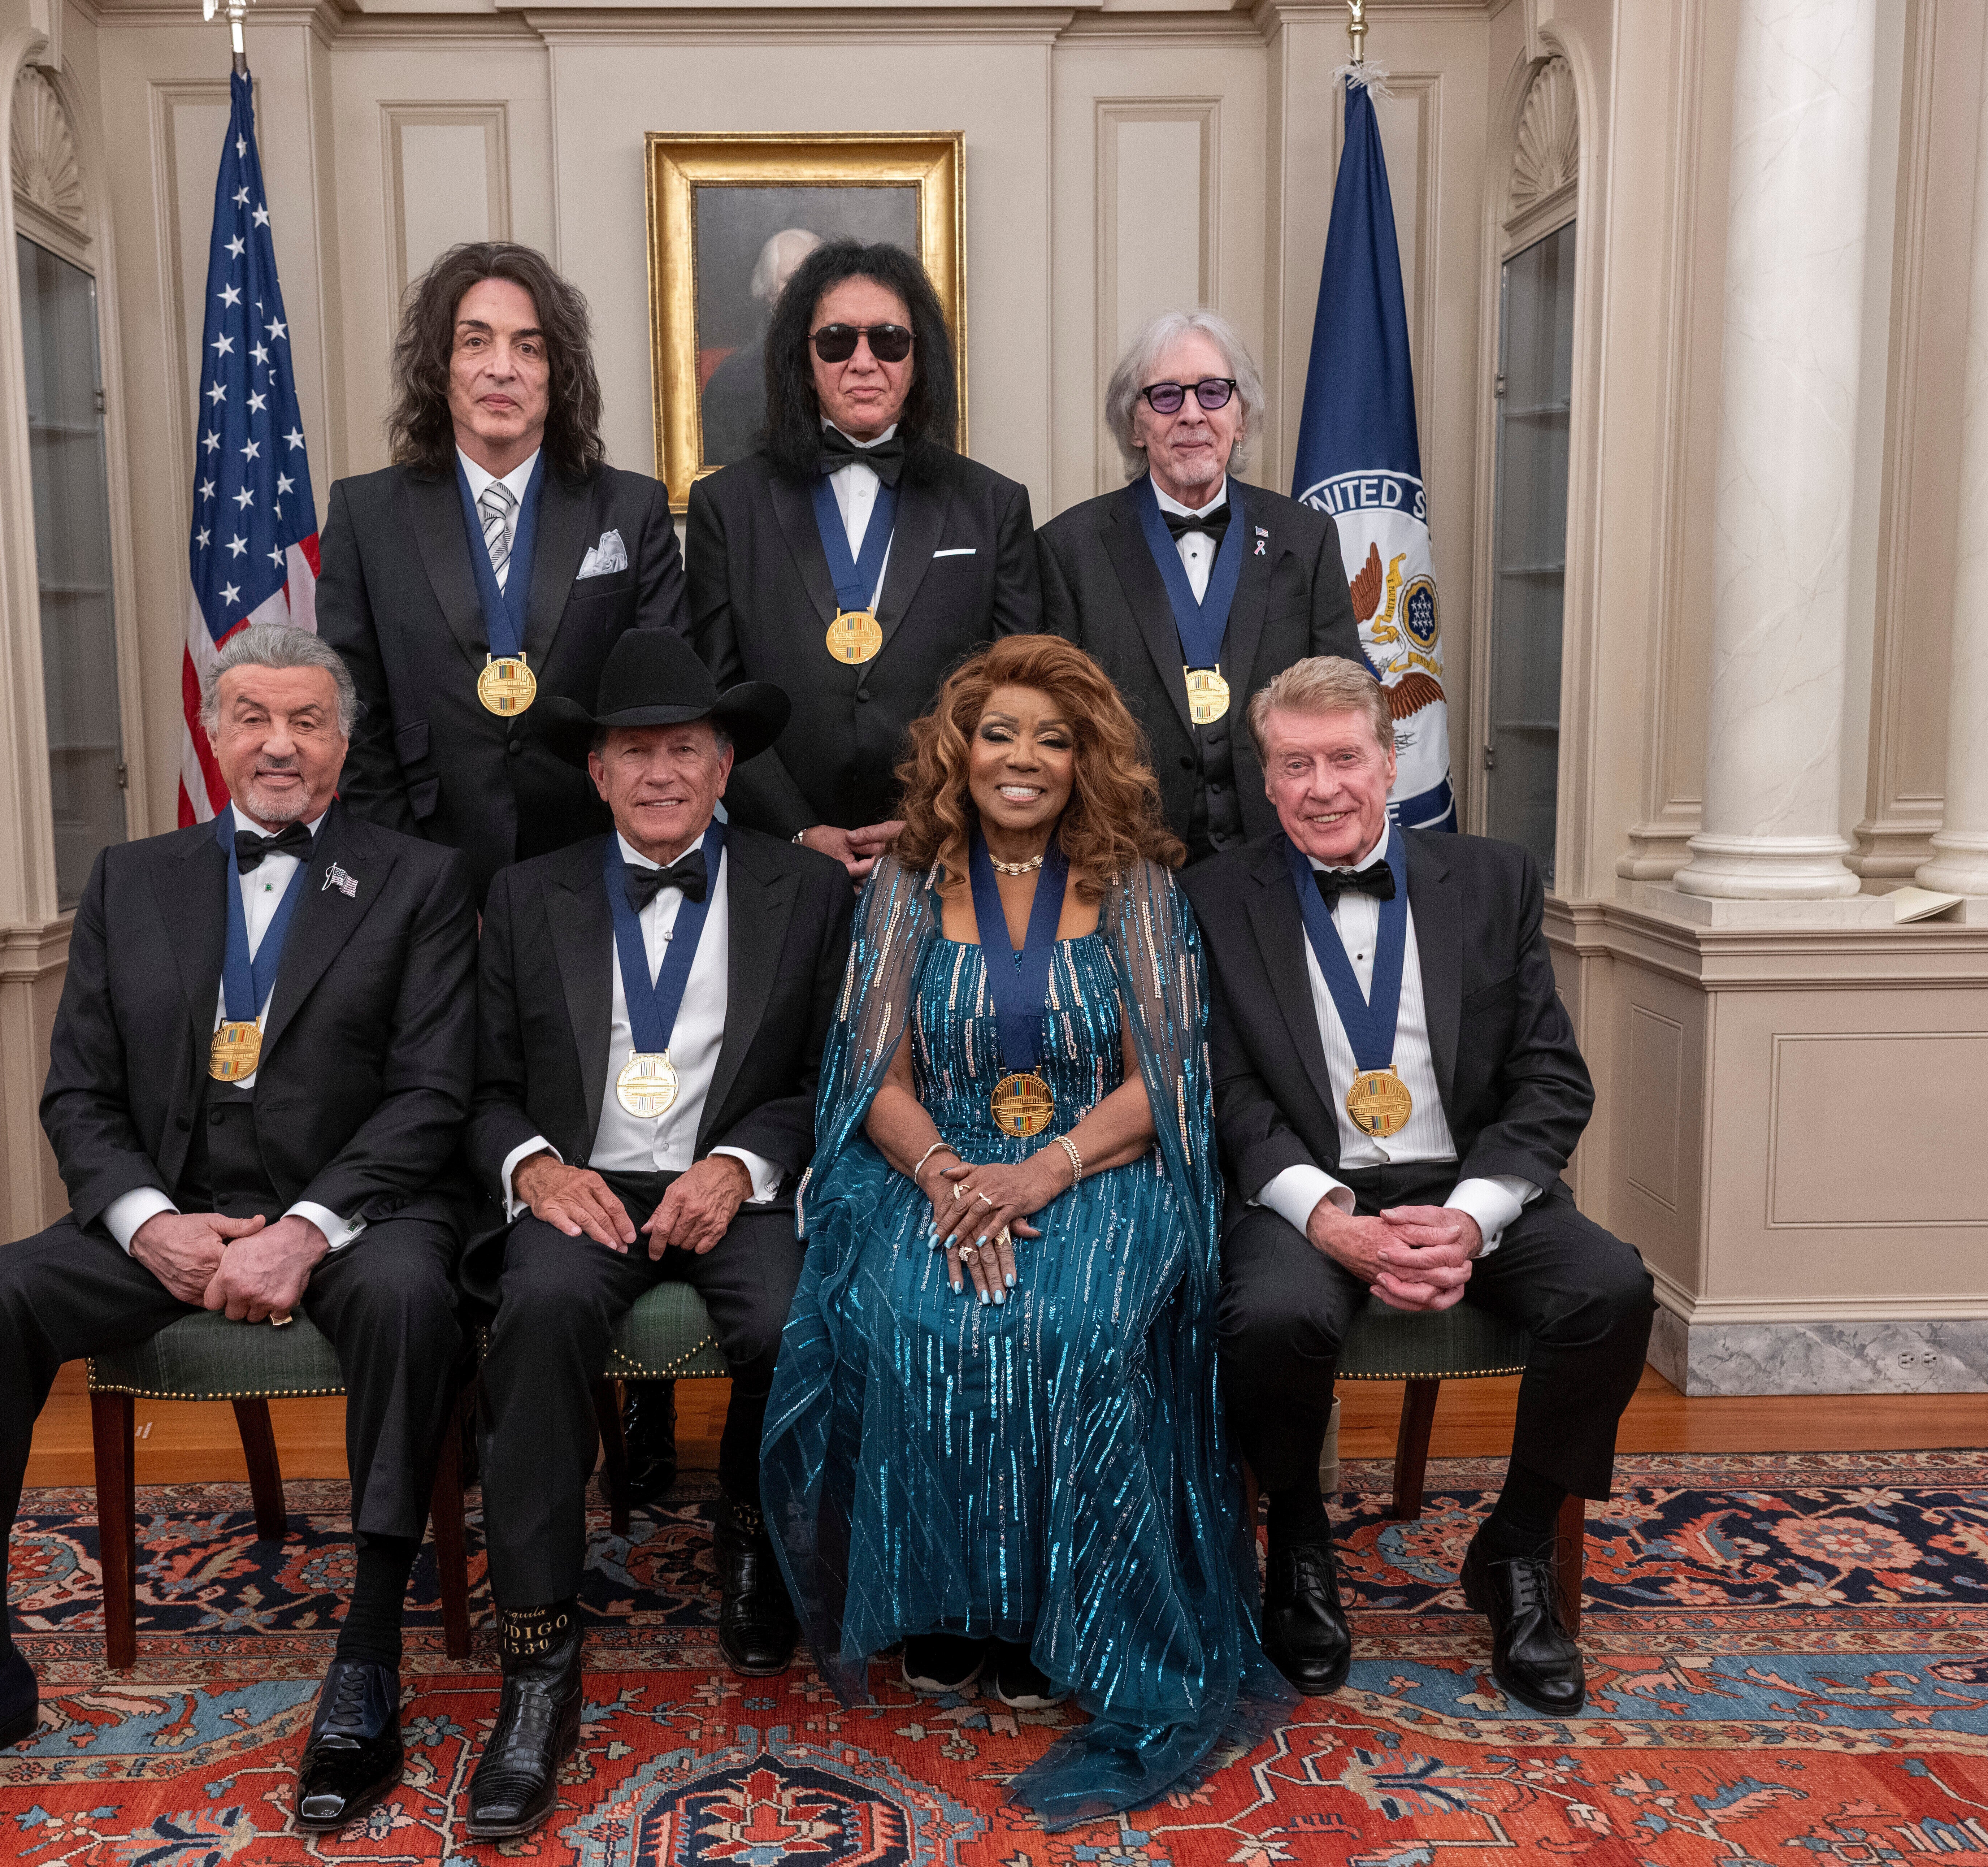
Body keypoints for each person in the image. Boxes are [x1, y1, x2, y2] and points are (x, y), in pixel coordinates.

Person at [0, 628, 474, 1840]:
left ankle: (369, 1660)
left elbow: (432, 1095)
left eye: (308, 721)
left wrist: (307, 1231)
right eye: (251, 718)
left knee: (409, 1300)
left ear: (345, 740)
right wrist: (150, 1221)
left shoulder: (418, 880)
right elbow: (78, 1092)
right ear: (213, 734)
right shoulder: (130, 877)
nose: (279, 745)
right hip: (166, 1214)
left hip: (346, 1212)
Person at [760, 633, 1277, 1832]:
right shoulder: (900, 888)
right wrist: (948, 1177)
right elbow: (868, 1075)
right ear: (960, 749)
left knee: (1079, 1324)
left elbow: (1169, 1082)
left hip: (1101, 1161)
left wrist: (1040, 1171)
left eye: (1053, 738)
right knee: (920, 1313)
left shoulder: (1142, 885)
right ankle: (951, 1610)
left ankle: (1071, 1617)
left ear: (1086, 758)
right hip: (931, 1166)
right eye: (1000, 733)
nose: (1023, 759)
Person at [1186, 656, 1654, 1720]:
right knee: (1265, 1316)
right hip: (1305, 1193)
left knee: (1611, 1291)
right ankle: (1298, 1541)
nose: (1320, 787)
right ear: (1265, 782)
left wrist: (1470, 1217)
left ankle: (1516, 1545)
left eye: (1343, 757)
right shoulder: (1212, 894)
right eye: (1293, 764)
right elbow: (1225, 1091)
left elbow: (1548, 1076)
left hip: (1466, 1182)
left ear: (1388, 763)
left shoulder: (1489, 878)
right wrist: (1327, 1217)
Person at [460, 630, 854, 1840]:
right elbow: (477, 1086)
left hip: (733, 1185)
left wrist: (741, 1165)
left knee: (793, 1322)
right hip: (582, 1186)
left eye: (683, 748)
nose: (660, 773)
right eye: (634, 752)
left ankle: (749, 1537)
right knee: (532, 1315)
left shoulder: (811, 892)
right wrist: (535, 1170)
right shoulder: (527, 894)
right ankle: (537, 1658)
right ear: (595, 772)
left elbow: (825, 1072)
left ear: (725, 764)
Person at [319, 240, 687, 901]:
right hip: (424, 868)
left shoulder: (631, 508)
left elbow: (657, 702)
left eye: (529, 347)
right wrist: (418, 879)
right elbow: (356, 716)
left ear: (557, 373)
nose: (502, 369)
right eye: (475, 342)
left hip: (594, 868)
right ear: (440, 367)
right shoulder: (365, 513)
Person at [689, 238, 1041, 882]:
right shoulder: (724, 508)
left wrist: (938, 818)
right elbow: (716, 697)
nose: (863, 361)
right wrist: (794, 829)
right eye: (835, 342)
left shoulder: (994, 506)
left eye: (888, 340)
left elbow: (1015, 697)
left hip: (948, 856)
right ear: (802, 361)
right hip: (778, 859)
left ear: (919, 358)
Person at [1039, 309, 1362, 859]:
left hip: (1280, 856)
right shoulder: (1067, 547)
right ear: (1135, 425)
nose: (1191, 414)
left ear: (1241, 417)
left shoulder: (1305, 538)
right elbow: (1052, 723)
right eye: (1165, 396)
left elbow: (1344, 703)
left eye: (1213, 392)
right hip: (1125, 861)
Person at [699, 226, 821, 464]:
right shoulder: (732, 378)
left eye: (817, 279)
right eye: (792, 280)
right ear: (769, 294)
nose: (808, 290)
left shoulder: (859, 363)